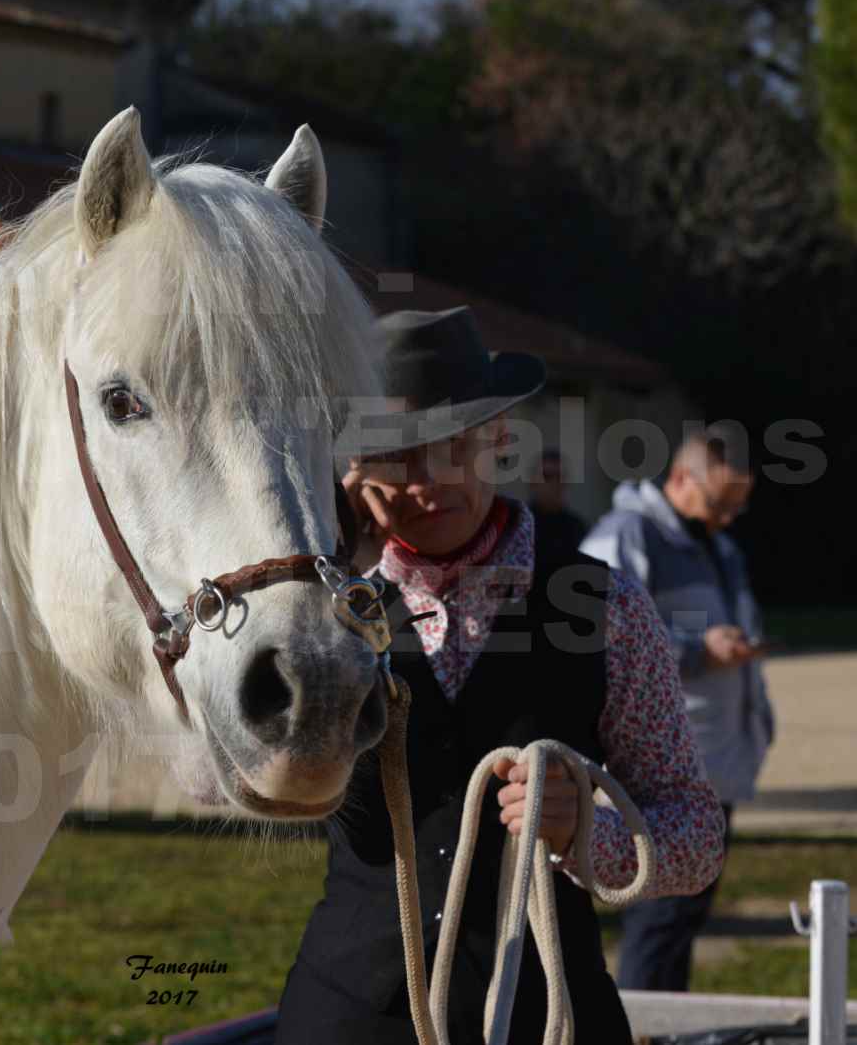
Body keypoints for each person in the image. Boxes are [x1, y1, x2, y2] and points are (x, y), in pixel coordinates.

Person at [275, 307, 725, 1045]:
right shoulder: (320, 613)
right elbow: (224, 782)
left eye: (453, 445)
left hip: (546, 1014)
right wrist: (330, 554)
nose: (427, 483)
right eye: (396, 456)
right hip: (350, 1016)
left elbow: (694, 840)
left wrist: (584, 832)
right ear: (352, 469)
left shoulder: (605, 607)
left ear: (499, 439)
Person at [580, 425, 772, 992]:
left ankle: (670, 1027)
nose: (728, 519)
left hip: (716, 765)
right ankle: (644, 1027)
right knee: (658, 921)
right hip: (659, 772)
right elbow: (593, 631)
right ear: (681, 479)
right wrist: (697, 652)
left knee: (684, 917)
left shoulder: (721, 545)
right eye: (719, 504)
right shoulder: (627, 536)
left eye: (739, 507)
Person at [528, 448, 588, 566]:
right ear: (532, 482)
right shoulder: (518, 525)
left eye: (559, 476)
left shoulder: (577, 527)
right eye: (547, 476)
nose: (554, 483)